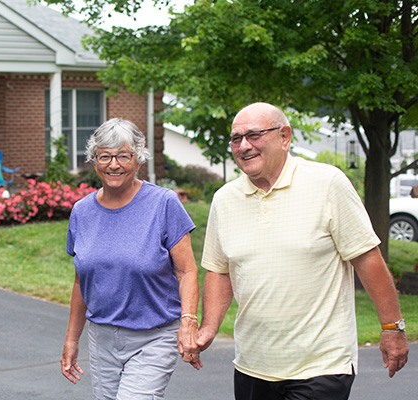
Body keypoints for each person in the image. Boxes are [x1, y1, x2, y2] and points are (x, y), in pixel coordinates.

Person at [196, 102, 409, 400]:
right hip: (252, 365)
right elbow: (220, 270)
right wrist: (208, 328)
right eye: (236, 138)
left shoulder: (327, 183)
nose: (244, 145)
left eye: (254, 135)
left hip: (320, 365)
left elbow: (366, 258)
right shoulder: (224, 200)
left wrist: (392, 327)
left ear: (285, 137)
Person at [60, 118, 201, 399]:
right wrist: (71, 338)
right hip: (102, 338)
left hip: (154, 335)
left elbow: (186, 271)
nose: (114, 164)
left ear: (138, 160)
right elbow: (82, 280)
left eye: (124, 156)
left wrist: (188, 321)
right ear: (94, 160)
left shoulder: (163, 203)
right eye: (105, 156)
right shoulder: (82, 212)